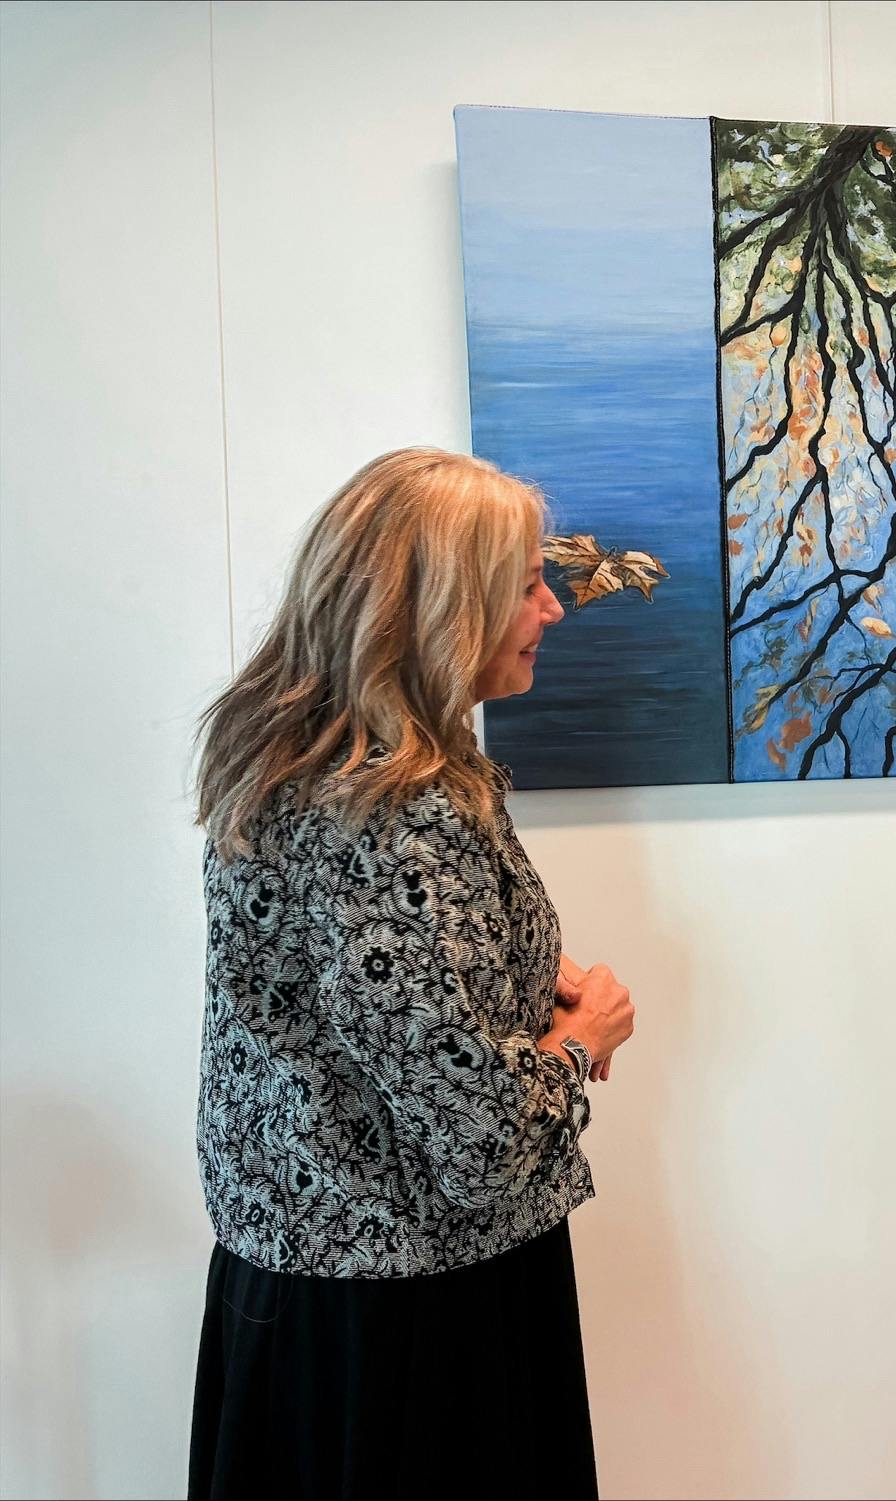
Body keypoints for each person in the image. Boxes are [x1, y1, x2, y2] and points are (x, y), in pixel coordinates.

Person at [187, 448, 636, 1498]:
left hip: (309, 1298)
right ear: (441, 604)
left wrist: (516, 971)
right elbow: (478, 1142)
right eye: (525, 584)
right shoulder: (393, 812)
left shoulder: (292, 764)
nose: (552, 609)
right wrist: (583, 1039)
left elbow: (345, 984)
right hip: (412, 1323)